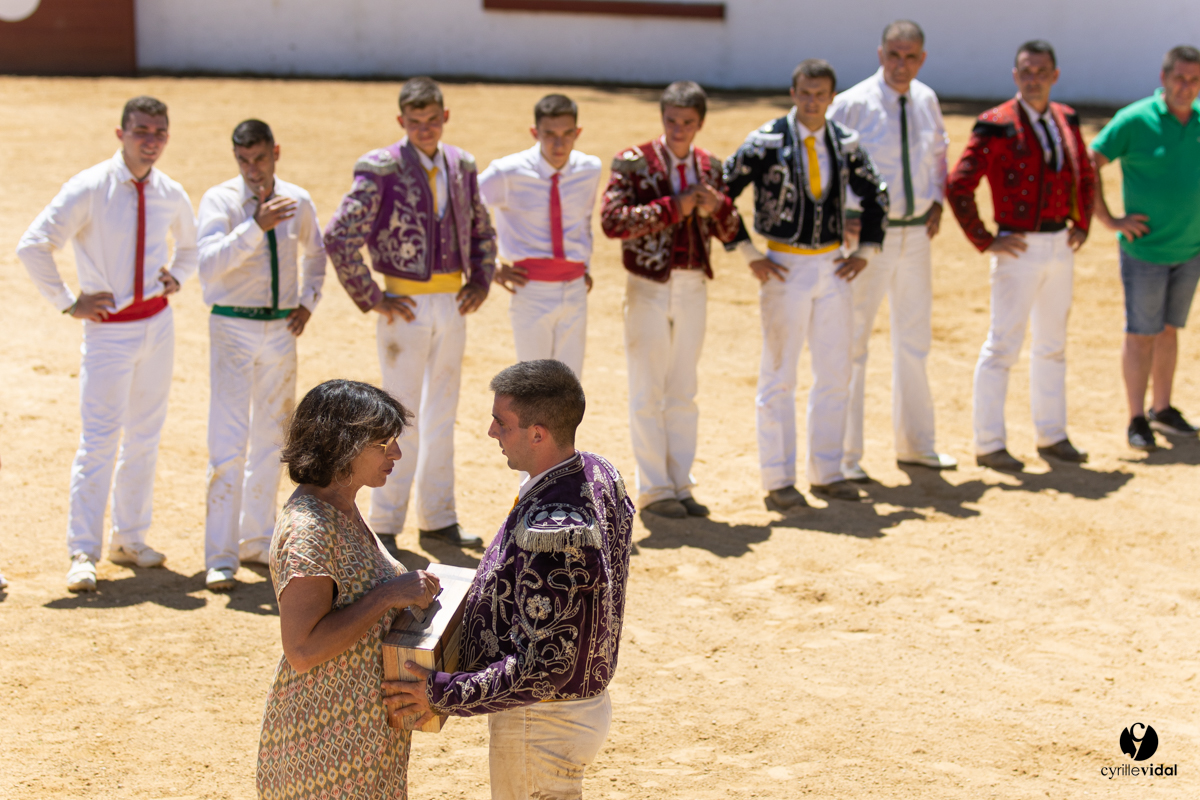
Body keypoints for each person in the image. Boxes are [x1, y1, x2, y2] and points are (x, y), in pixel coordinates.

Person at [381, 359, 634, 800]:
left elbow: (544, 666)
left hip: (542, 720)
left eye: (502, 423)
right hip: (572, 709)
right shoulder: (598, 473)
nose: (491, 432)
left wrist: (442, 693)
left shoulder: (552, 529)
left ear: (538, 434)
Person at [16, 96, 198, 592]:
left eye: (159, 131)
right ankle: (83, 552)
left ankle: (130, 538)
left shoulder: (169, 190)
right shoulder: (90, 187)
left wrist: (177, 275)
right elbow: (33, 244)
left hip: (156, 326)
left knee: (145, 435)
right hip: (108, 331)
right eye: (141, 130)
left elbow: (191, 245)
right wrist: (66, 300)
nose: (151, 139)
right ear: (120, 134)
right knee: (99, 440)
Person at [324, 76, 496, 548]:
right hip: (404, 304)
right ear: (402, 121)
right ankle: (384, 520)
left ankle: (439, 516)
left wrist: (481, 278)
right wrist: (371, 295)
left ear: (445, 117)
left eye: (432, 120)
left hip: (450, 302)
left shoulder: (462, 164)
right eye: (415, 122)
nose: (425, 128)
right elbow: (339, 235)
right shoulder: (380, 167)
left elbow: (482, 227)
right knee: (396, 415)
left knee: (443, 413)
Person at [256, 379, 441, 800]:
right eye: (383, 443)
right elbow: (302, 650)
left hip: (361, 737)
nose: (395, 453)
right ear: (341, 444)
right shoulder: (309, 528)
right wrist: (389, 595)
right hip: (323, 744)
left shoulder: (341, 506)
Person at [724, 60, 888, 509]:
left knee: (836, 372)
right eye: (805, 92)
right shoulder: (766, 140)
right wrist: (748, 252)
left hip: (833, 266)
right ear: (793, 92)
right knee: (779, 375)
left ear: (832, 98)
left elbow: (877, 195)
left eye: (820, 94)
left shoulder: (845, 141)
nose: (812, 101)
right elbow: (721, 191)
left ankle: (828, 472)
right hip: (783, 265)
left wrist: (867, 250)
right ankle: (778, 480)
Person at [947, 40, 1095, 472]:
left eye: (1041, 71)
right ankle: (989, 442)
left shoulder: (1066, 117)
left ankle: (1052, 435)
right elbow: (959, 184)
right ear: (1015, 76)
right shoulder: (995, 124)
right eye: (1026, 72)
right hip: (1018, 245)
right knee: (1003, 345)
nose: (1033, 79)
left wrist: (1081, 223)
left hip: (1059, 245)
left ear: (1055, 75)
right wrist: (985, 238)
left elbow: (1083, 173)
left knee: (1053, 345)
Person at [600, 81, 741, 518]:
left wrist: (716, 207)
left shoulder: (711, 167)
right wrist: (672, 207)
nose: (679, 129)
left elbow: (731, 230)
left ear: (699, 123)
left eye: (688, 122)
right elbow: (612, 221)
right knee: (648, 386)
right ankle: (655, 489)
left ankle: (681, 483)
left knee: (684, 388)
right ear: (663, 119)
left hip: (693, 283)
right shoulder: (633, 161)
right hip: (648, 284)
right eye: (672, 121)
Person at [197, 119, 327, 592]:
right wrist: (255, 226)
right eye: (243, 160)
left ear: (276, 152)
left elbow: (317, 255)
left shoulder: (299, 200)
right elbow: (208, 267)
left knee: (274, 439)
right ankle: (220, 555)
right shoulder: (220, 200)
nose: (253, 169)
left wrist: (308, 301)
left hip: (279, 328)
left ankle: (257, 539)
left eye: (260, 158)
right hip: (231, 323)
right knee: (227, 439)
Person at [828, 20, 956, 482]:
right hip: (869, 239)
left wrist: (938, 199)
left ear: (922, 58)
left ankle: (917, 445)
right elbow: (830, 164)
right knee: (854, 343)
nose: (902, 65)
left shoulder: (927, 99)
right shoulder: (852, 104)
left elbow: (939, 155)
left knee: (915, 340)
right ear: (881, 53)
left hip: (917, 236)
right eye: (894, 55)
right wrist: (843, 215)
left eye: (911, 57)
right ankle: (844, 456)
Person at [1088, 45, 1200, 451]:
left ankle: (1163, 409)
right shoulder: (1135, 120)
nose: (1186, 87)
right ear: (1164, 77)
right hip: (1145, 251)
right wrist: (1108, 218)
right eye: (1179, 78)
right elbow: (1089, 162)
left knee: (1170, 331)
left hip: (1191, 249)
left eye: (1194, 80)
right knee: (1141, 334)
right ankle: (1136, 417)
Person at [479, 93, 602, 377]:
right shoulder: (507, 172)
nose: (559, 144)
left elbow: (584, 219)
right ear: (535, 132)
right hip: (530, 287)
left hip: (575, 287)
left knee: (570, 387)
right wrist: (489, 265)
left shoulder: (589, 169)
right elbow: (462, 209)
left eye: (567, 134)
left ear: (578, 132)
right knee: (534, 384)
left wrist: (586, 266)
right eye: (549, 134)